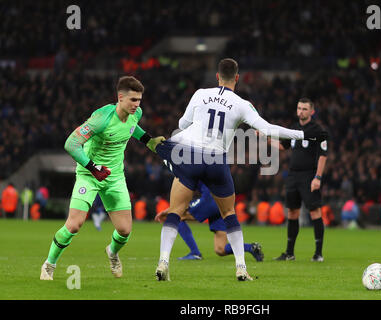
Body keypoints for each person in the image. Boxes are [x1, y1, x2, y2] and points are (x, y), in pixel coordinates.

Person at [153, 58, 320, 281]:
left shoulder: (201, 94)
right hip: (216, 161)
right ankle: (241, 268)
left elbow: (183, 124)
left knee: (175, 212)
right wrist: (302, 134)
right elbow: (268, 129)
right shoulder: (242, 104)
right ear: (237, 78)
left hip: (191, 157)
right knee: (229, 214)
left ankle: (163, 262)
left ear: (217, 77)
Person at [40, 76, 165, 280]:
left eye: (139, 100)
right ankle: (49, 264)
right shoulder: (101, 118)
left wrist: (148, 141)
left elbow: (131, 129)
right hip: (89, 174)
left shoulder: (137, 114)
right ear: (120, 97)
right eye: (133, 100)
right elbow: (71, 144)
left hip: (114, 177)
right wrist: (92, 166)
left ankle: (112, 253)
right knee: (74, 225)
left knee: (124, 230)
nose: (137, 105)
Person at [271, 98, 329, 262]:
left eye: (304, 109)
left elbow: (323, 155)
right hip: (293, 175)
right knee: (292, 212)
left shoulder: (318, 130)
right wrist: (267, 139)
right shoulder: (294, 128)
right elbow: (284, 146)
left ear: (312, 112)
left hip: (309, 175)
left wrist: (317, 177)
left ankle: (318, 254)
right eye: (299, 108)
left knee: (314, 211)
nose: (301, 111)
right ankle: (289, 253)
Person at [155, 182, 264, 262]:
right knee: (220, 249)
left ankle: (195, 252)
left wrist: (167, 211)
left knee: (177, 217)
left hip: (209, 199)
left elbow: (183, 197)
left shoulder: (188, 166)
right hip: (221, 201)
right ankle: (251, 248)